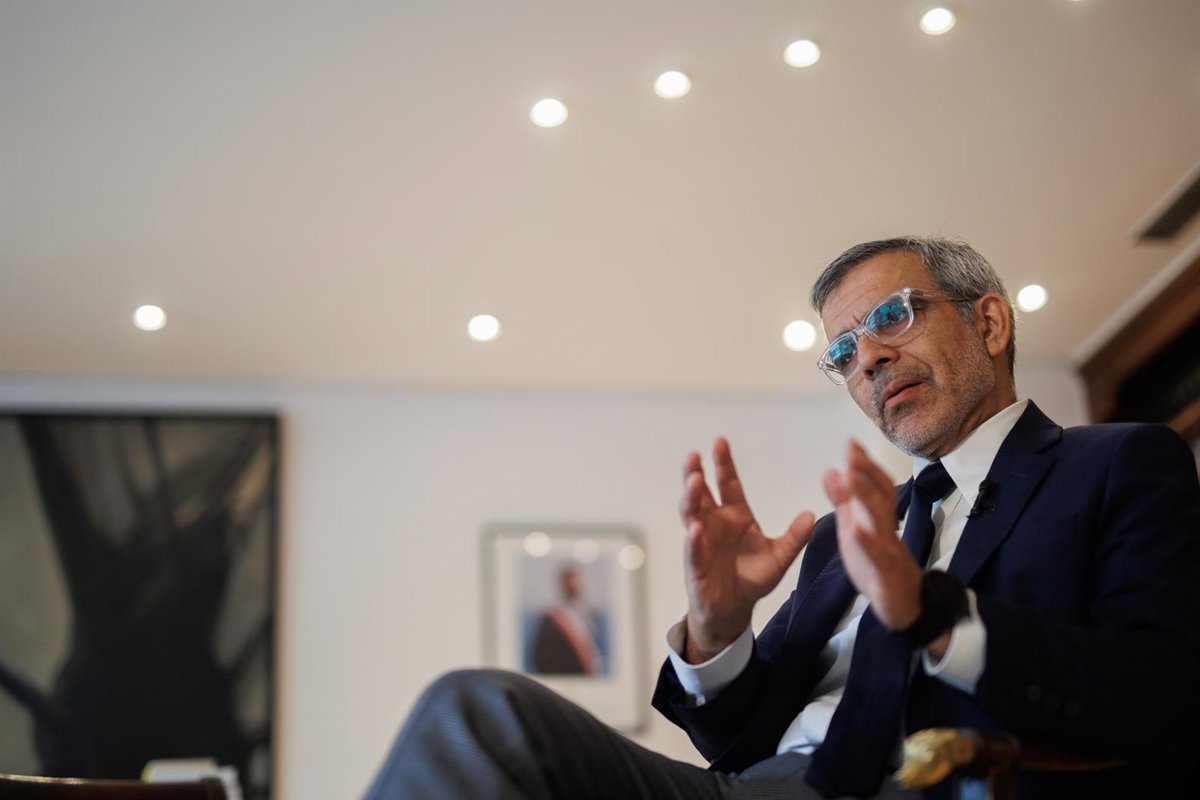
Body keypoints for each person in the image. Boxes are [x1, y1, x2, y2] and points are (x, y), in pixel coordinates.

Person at [364, 237, 1200, 799]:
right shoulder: (850, 533)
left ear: (987, 321)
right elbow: (741, 739)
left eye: (892, 316)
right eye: (843, 352)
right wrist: (718, 629)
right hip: (758, 789)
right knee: (478, 715)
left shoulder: (1118, 463)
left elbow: (1162, 692)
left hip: (932, 782)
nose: (869, 359)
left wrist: (932, 614)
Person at [530, 565, 605, 675]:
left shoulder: (589, 615)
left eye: (576, 581)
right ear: (562, 585)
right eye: (569, 581)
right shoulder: (551, 618)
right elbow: (541, 658)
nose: (573, 585)